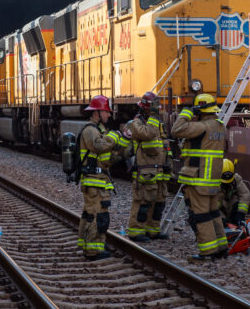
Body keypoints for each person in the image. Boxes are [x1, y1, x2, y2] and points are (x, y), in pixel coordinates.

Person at [171, 93, 228, 260]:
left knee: (201, 216)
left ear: (200, 109)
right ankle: (221, 247)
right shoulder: (220, 126)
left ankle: (208, 251)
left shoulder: (202, 127)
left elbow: (176, 130)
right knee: (213, 213)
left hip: (198, 179)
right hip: (212, 180)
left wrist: (186, 113)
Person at [76, 95, 129, 261]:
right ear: (97, 112)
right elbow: (99, 146)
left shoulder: (100, 131)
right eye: (106, 112)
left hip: (99, 179)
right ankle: (92, 251)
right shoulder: (90, 130)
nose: (109, 115)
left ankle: (93, 244)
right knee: (96, 215)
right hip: (93, 180)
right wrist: (115, 135)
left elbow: (106, 157)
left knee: (92, 213)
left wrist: (124, 143)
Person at [126, 91, 172, 242]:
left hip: (159, 169)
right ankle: (135, 231)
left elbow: (164, 143)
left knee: (158, 202)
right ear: (146, 108)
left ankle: (153, 230)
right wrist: (153, 117)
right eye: (154, 107)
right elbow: (147, 134)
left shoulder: (156, 122)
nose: (157, 110)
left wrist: (168, 165)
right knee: (142, 202)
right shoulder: (136, 123)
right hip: (145, 170)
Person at [219, 159, 250, 225]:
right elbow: (212, 205)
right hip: (219, 210)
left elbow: (245, 195)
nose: (227, 183)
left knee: (235, 200)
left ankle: (235, 223)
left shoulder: (236, 179)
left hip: (231, 207)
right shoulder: (214, 182)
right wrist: (220, 218)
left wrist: (241, 213)